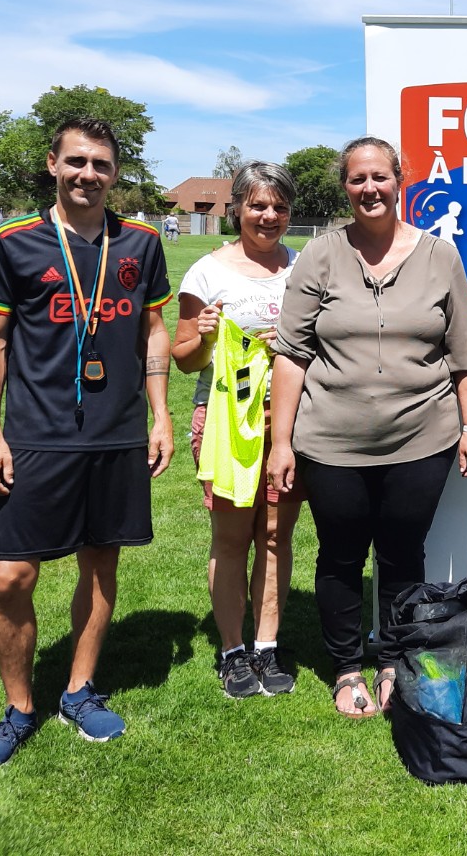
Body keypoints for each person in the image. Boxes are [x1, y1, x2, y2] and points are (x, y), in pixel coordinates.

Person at [0, 118, 173, 773]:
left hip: (117, 435)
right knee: (10, 577)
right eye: (76, 161)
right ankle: (19, 709)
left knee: (101, 564)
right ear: (53, 163)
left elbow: (154, 329)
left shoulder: (140, 242)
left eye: (101, 164)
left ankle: (79, 691)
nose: (88, 174)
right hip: (36, 437)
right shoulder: (12, 241)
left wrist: (160, 416)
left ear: (115, 173)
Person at [267, 137, 467, 718]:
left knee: (402, 554)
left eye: (380, 177)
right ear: (346, 187)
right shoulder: (320, 255)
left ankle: (393, 661)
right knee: (340, 556)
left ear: (399, 180)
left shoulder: (439, 256)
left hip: (422, 438)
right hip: (331, 443)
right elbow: (291, 354)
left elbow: (464, 354)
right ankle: (346, 668)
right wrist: (282, 442)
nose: (370, 189)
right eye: (357, 179)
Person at [173, 163, 303, 700]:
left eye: (279, 207)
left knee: (274, 536)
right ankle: (232, 651)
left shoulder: (302, 269)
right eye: (257, 205)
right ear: (236, 210)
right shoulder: (206, 273)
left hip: (286, 421)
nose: (268, 216)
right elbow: (184, 358)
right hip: (225, 420)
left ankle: (267, 646)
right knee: (230, 540)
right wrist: (204, 337)